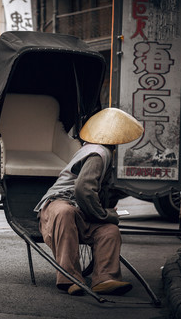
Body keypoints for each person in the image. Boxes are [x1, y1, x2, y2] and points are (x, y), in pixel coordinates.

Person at [33, 108, 143, 296]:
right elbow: (83, 189)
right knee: (65, 213)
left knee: (110, 231)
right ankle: (70, 278)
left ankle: (105, 278)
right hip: (59, 204)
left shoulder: (100, 151)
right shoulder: (98, 153)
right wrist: (103, 214)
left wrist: (106, 213)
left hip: (80, 211)